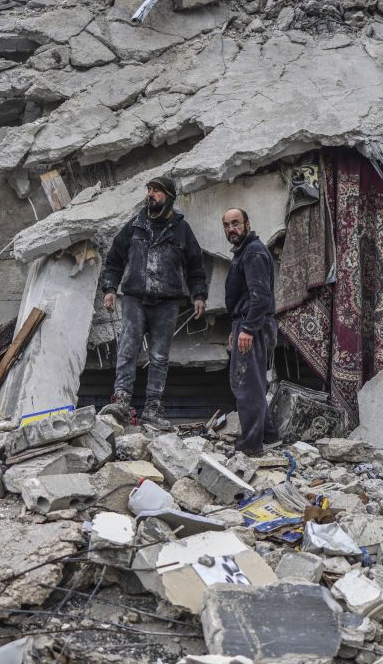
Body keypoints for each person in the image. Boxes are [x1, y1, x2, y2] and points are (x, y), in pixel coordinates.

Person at [98, 176, 208, 428]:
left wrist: (199, 294)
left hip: (167, 303)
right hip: (135, 298)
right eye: (149, 190)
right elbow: (114, 259)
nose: (151, 195)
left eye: (157, 191)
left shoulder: (181, 229)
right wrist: (110, 289)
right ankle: (122, 401)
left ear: (168, 197)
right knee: (128, 349)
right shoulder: (135, 225)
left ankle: (153, 408)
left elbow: (195, 266)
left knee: (159, 356)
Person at [221, 207, 280, 456]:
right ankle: (268, 435)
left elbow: (260, 296)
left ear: (247, 223)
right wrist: (238, 326)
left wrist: (247, 328)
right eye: (226, 225)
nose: (231, 229)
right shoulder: (244, 252)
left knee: (246, 386)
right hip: (248, 323)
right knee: (253, 383)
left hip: (253, 324)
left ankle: (252, 445)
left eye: (236, 223)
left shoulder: (253, 252)